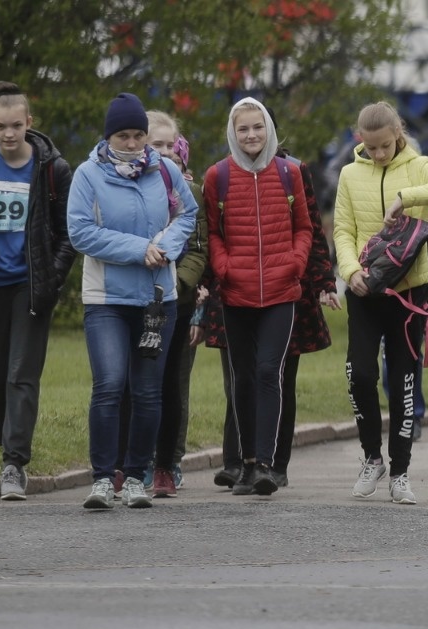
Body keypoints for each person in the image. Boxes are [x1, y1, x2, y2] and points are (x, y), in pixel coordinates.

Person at [195, 106, 340, 492]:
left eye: (258, 127)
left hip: (281, 291)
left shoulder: (289, 172)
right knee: (241, 378)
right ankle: (244, 464)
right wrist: (222, 268)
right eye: (243, 129)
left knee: (267, 372)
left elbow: (305, 225)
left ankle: (266, 464)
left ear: (270, 129)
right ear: (232, 132)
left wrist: (296, 264)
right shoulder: (218, 176)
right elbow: (212, 232)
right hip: (236, 291)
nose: (251, 135)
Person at [67, 92, 198, 509]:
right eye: (123, 135)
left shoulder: (164, 172)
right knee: (108, 385)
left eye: (138, 135)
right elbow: (81, 232)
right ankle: (104, 478)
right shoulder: (89, 174)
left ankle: (138, 475)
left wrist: (167, 246)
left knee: (147, 392)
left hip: (157, 299)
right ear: (109, 137)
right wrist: (139, 248)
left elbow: (187, 215)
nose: (132, 143)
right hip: (106, 299)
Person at [333, 101, 428, 505]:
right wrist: (350, 269)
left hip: (409, 293)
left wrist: (406, 197)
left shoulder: (418, 165)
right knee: (360, 375)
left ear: (398, 133)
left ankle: (401, 471)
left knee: (404, 381)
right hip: (365, 290)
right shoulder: (349, 174)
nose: (379, 154)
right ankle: (372, 457)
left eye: (385, 146)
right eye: (371, 148)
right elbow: (342, 228)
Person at [0, 81, 76, 501]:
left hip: (30, 287)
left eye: (16, 125)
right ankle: (4, 439)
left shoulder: (52, 169)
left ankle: (13, 463)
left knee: (22, 375)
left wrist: (51, 278)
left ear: (29, 123)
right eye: (1, 126)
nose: (8, 134)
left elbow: (66, 234)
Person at [145, 113, 208, 498]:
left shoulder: (189, 192)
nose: (166, 152)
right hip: (135, 299)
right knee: (134, 384)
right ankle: (132, 458)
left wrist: (176, 282)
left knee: (174, 386)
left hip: (178, 301)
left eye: (171, 146)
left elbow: (199, 249)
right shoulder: (128, 186)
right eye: (157, 145)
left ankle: (169, 461)